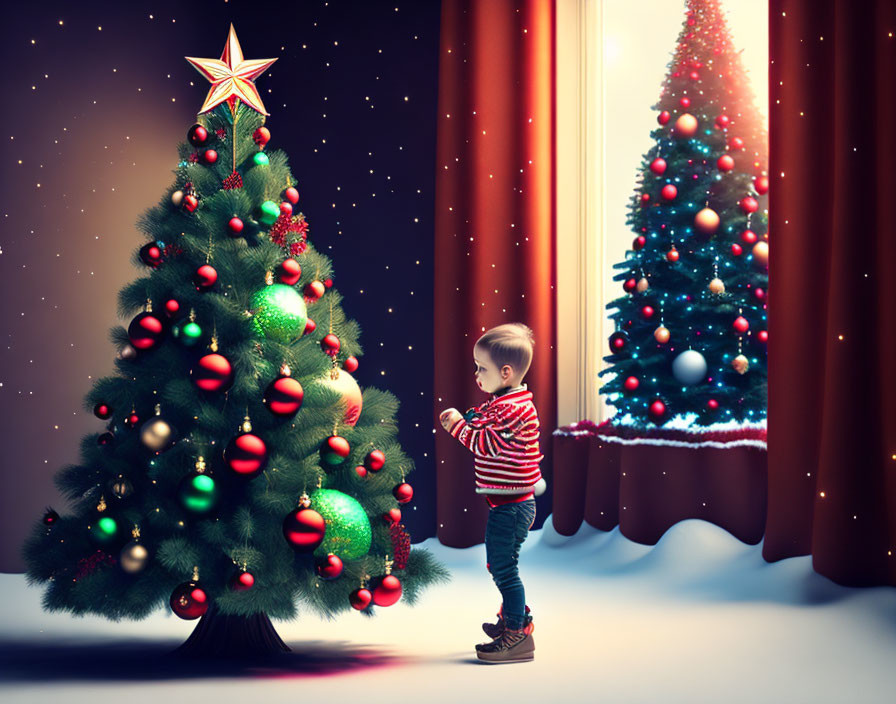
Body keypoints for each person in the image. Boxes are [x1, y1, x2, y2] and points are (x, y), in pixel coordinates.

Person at [439, 322, 544, 664]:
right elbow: (486, 420)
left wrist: (458, 425)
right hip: (507, 503)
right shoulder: (504, 400)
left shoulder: (514, 408)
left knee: (504, 568)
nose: (476, 375)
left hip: (513, 507)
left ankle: (517, 633)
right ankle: (514, 619)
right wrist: (473, 418)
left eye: (482, 368)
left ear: (506, 371)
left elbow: (485, 444)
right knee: (498, 564)